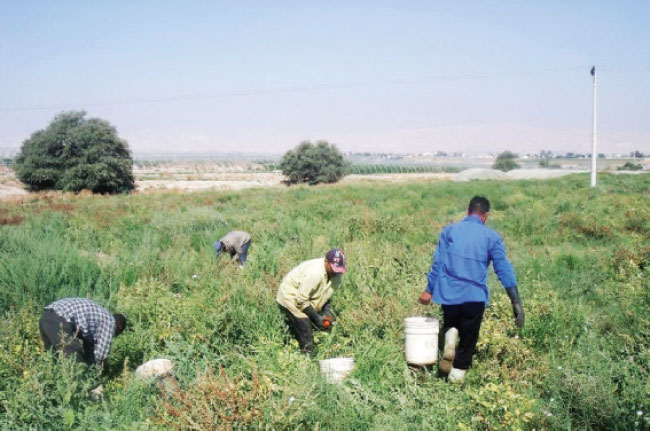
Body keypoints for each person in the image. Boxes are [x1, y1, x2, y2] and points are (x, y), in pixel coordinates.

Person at [418, 196, 524, 383]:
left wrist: (429, 290)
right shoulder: (492, 237)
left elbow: (438, 264)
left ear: (467, 212)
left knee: (451, 320)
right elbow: (503, 269)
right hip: (474, 297)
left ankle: (450, 336)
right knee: (468, 339)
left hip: (448, 293)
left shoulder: (449, 231)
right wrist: (515, 301)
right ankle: (455, 379)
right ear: (485, 216)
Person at [276, 248, 346, 353]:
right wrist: (317, 318)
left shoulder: (337, 273)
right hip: (291, 295)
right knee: (305, 326)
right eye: (334, 269)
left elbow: (327, 295)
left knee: (319, 322)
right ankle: (307, 359)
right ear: (326, 262)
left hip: (306, 295)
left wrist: (326, 314)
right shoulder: (315, 273)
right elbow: (301, 300)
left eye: (339, 270)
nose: (336, 273)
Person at [39, 298, 126, 366]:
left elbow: (90, 347)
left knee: (54, 359)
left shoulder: (97, 318)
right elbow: (101, 354)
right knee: (74, 356)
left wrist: (89, 361)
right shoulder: (110, 322)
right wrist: (96, 373)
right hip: (59, 319)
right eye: (116, 334)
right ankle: (88, 388)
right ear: (119, 327)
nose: (112, 336)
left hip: (46, 316)